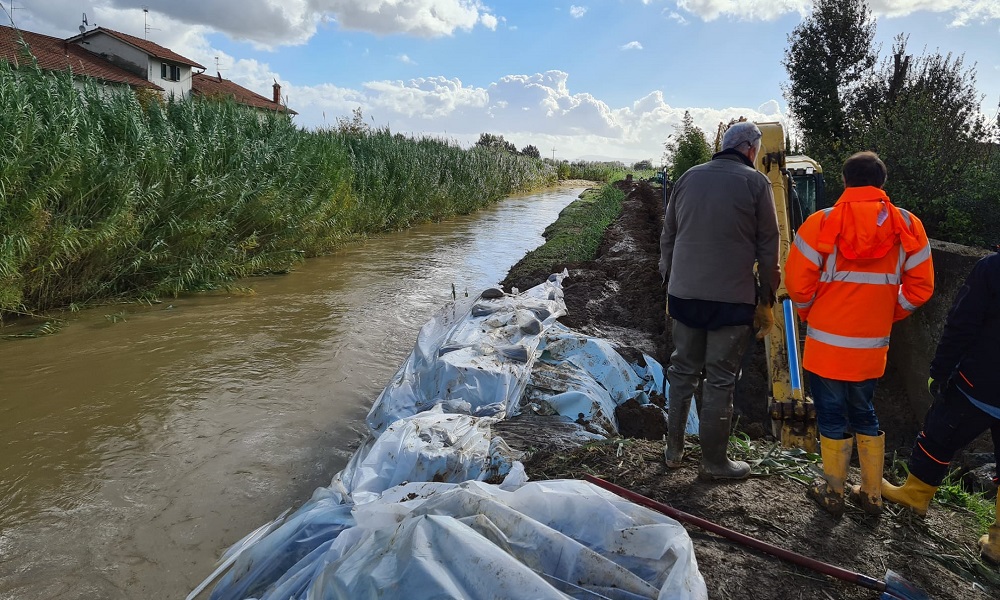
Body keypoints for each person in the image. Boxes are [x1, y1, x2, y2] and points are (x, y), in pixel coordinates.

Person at [785, 151, 934, 517]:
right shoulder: (908, 225)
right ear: (881, 183)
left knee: (832, 415)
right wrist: (886, 313)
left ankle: (833, 491)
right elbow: (921, 289)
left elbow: (798, 285)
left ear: (845, 180)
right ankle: (871, 494)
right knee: (865, 412)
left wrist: (809, 314)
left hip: (825, 345)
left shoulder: (821, 223)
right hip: (871, 346)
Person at [660, 121, 779, 480]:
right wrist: (767, 299)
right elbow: (769, 246)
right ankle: (713, 463)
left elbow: (668, 234)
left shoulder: (688, 177)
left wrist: (669, 279)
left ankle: (673, 451)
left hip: (684, 295)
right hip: (731, 301)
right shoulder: (757, 183)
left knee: (682, 371)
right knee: (720, 379)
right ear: (749, 149)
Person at [881, 250, 1000, 562]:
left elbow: (962, 322)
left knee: (938, 437)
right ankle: (999, 543)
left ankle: (913, 497)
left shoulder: (991, 269)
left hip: (980, 385)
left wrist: (940, 371)